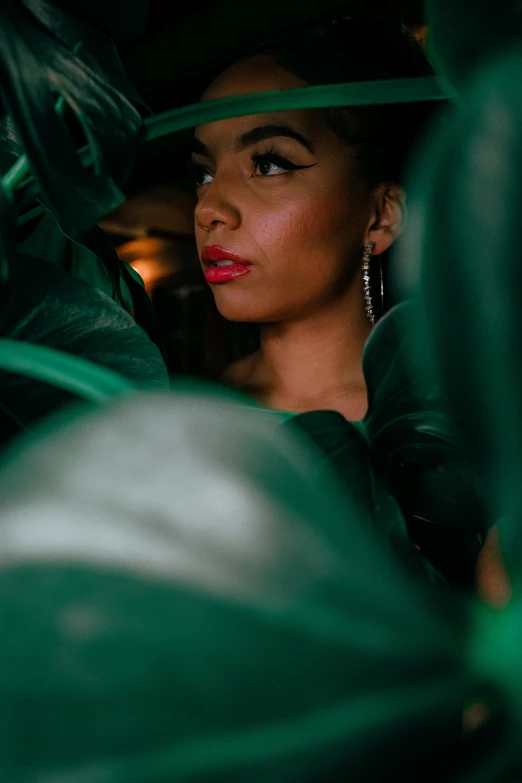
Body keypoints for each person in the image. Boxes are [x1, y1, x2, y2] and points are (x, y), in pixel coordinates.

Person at [189, 11, 434, 421]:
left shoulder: (466, 420)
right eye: (204, 173)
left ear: (382, 215)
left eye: (268, 165)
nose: (207, 209)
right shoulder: (180, 412)